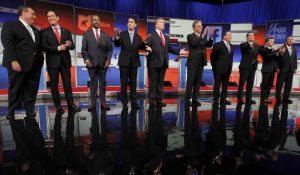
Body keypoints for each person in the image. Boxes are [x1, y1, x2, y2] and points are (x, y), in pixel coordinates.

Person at [1, 6, 44, 119]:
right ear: (24, 13)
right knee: (16, 87)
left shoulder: (35, 30)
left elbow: (39, 46)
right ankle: (11, 111)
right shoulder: (10, 25)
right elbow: (7, 44)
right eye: (32, 14)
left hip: (34, 64)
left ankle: (29, 110)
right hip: (18, 64)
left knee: (32, 88)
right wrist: (13, 60)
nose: (35, 17)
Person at [145, 18, 187, 107]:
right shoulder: (151, 36)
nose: (163, 24)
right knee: (153, 84)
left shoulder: (166, 37)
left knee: (160, 83)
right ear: (156, 25)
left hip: (163, 63)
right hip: (153, 63)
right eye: (161, 22)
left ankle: (159, 101)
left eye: (164, 23)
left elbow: (170, 49)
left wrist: (179, 52)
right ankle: (152, 102)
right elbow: (146, 46)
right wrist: (146, 49)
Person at [81, 14, 112, 111]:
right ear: (91, 22)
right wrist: (86, 60)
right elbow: (84, 49)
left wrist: (108, 60)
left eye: (98, 20)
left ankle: (103, 102)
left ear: (100, 21)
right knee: (93, 84)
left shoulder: (105, 35)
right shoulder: (87, 34)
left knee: (103, 84)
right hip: (91, 64)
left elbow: (110, 50)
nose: (96, 21)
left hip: (103, 64)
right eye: (94, 20)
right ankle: (92, 103)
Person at [114, 18, 147, 109]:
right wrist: (117, 36)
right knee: (124, 83)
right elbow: (116, 44)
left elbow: (142, 47)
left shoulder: (138, 36)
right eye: (128, 22)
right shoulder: (122, 34)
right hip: (124, 63)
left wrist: (145, 42)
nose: (129, 23)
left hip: (134, 63)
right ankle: (124, 102)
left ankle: (134, 102)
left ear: (135, 25)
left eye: (132, 22)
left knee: (133, 84)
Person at [185, 21, 214, 107]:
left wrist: (211, 37)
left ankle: (195, 99)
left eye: (201, 26)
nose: (201, 28)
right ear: (194, 28)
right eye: (199, 26)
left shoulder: (202, 38)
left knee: (198, 82)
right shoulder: (190, 36)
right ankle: (187, 100)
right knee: (190, 82)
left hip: (201, 62)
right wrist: (203, 35)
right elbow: (194, 44)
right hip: (192, 62)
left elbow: (208, 45)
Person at [237, 32, 261, 104]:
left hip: (253, 67)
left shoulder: (257, 46)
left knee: (250, 84)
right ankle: (240, 99)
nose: (251, 36)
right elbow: (245, 47)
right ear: (247, 37)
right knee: (242, 83)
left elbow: (261, 52)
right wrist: (250, 44)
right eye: (250, 35)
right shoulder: (243, 45)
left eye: (253, 35)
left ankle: (249, 98)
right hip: (244, 67)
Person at [210, 31, 233, 105]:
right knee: (217, 84)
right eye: (229, 35)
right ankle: (216, 99)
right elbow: (212, 56)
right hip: (218, 69)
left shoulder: (231, 46)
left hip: (228, 69)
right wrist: (215, 66)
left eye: (231, 35)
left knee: (225, 85)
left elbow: (230, 58)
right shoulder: (218, 45)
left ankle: (223, 98)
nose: (230, 37)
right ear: (224, 36)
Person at [275, 36, 298, 104]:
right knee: (279, 85)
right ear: (286, 41)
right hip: (282, 69)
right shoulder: (281, 48)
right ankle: (278, 98)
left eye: (292, 39)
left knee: (288, 85)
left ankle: (286, 98)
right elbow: (277, 59)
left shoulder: (294, 48)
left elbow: (295, 59)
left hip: (290, 70)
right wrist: (277, 67)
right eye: (289, 39)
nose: (291, 40)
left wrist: (295, 68)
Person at [260, 37, 279, 103]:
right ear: (266, 42)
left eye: (273, 41)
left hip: (273, 70)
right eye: (271, 41)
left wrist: (279, 54)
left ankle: (267, 97)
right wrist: (275, 53)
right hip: (266, 69)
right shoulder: (263, 49)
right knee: (264, 84)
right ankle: (263, 98)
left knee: (270, 84)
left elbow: (275, 60)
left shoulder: (273, 50)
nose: (272, 42)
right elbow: (267, 57)